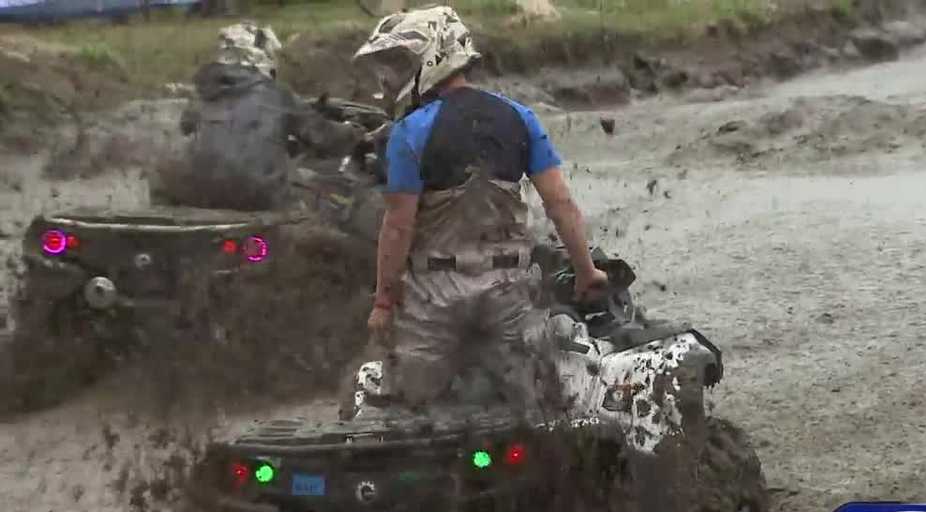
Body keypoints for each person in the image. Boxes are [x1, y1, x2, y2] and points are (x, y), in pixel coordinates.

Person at [352, 6, 608, 412]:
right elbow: (560, 204)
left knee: (412, 412)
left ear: (434, 57)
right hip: (508, 288)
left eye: (400, 63)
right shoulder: (519, 117)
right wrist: (585, 270)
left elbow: (398, 226)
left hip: (434, 297)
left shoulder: (410, 132)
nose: (391, 76)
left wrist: (384, 302)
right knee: (528, 407)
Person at [154, 22, 363, 211]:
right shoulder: (277, 94)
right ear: (259, 55)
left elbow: (186, 126)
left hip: (201, 196)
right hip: (261, 197)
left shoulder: (204, 93)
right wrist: (354, 133)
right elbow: (324, 137)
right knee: (322, 198)